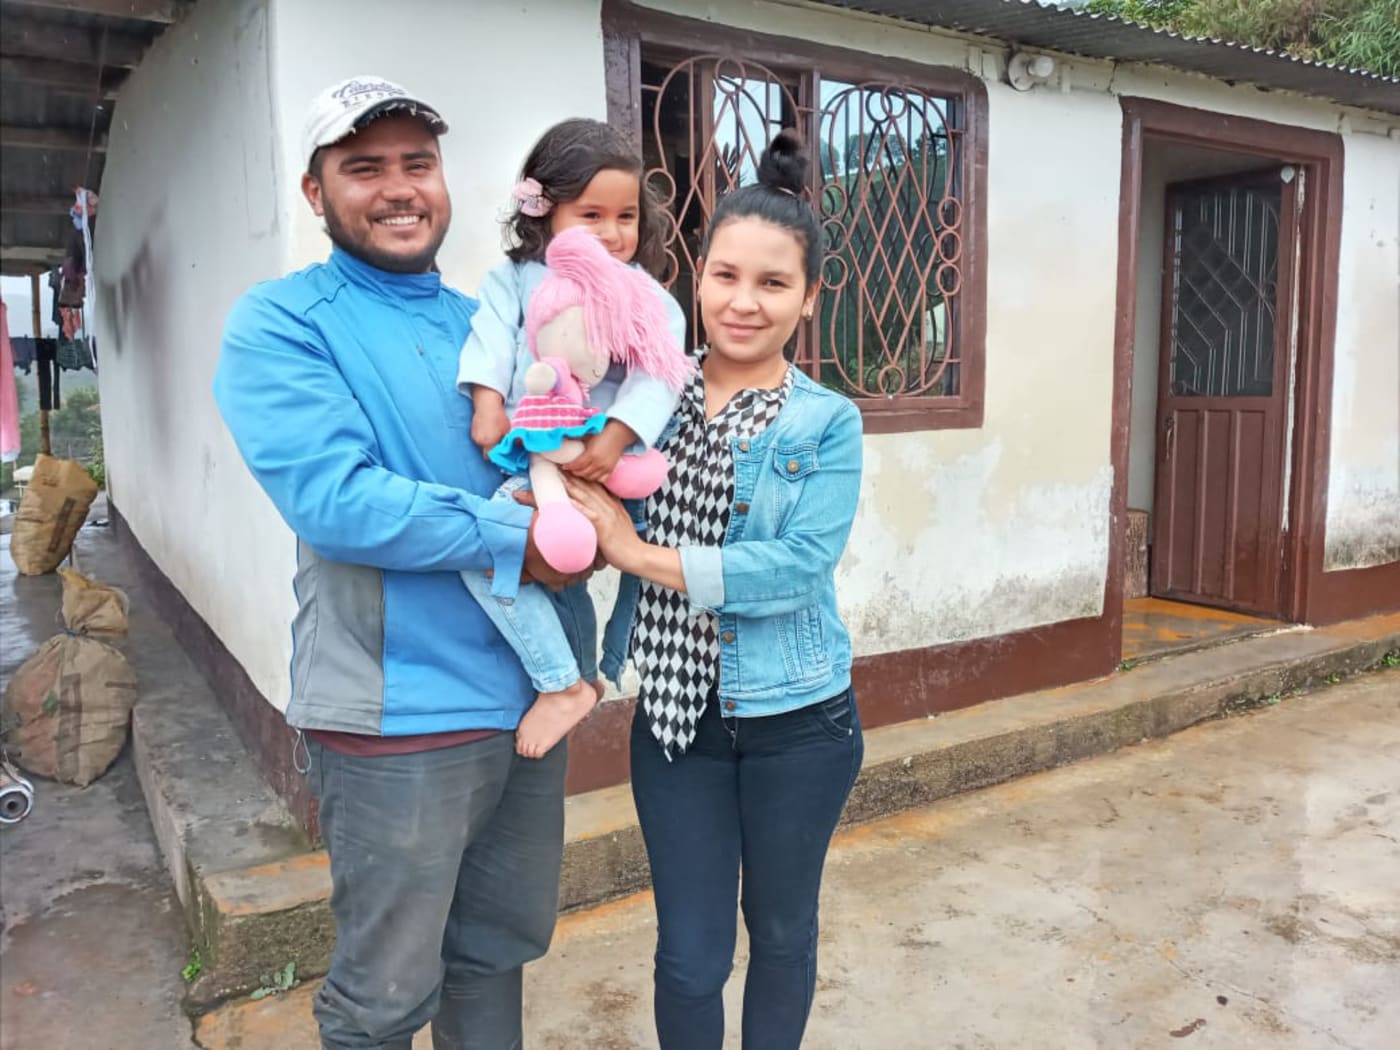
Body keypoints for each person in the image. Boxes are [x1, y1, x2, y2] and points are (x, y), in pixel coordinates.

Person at [212, 76, 585, 1050]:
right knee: (382, 998)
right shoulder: (283, 322)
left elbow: (557, 460)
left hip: (524, 709)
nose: (397, 189)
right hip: (396, 715)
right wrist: (524, 538)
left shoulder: (487, 321)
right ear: (313, 191)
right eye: (362, 167)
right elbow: (338, 505)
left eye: (415, 164)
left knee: (495, 952)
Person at [566, 132, 865, 1050]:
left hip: (800, 725)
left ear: (810, 299)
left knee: (780, 935)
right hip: (675, 724)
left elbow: (796, 569)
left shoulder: (827, 422)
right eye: (726, 275)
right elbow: (566, 480)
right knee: (690, 957)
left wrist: (639, 553)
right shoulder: (643, 397)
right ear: (696, 278)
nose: (744, 302)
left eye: (774, 284)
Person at [456, 118, 688, 759]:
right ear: (545, 208)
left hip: (602, 463)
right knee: (556, 571)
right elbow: (490, 338)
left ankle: (563, 683)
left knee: (488, 548)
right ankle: (583, 673)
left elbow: (660, 375)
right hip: (539, 456)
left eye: (626, 216)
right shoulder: (511, 280)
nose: (613, 234)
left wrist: (615, 439)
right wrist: (486, 401)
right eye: (591, 214)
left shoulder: (643, 294)